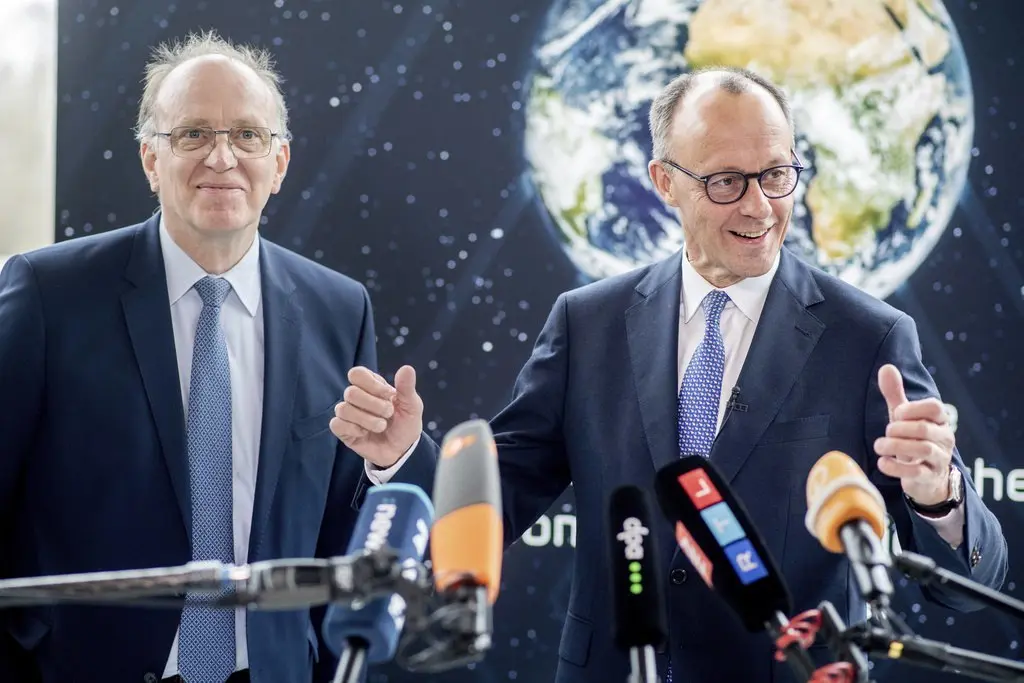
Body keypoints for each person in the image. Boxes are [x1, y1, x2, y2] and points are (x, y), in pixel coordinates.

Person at [333, 67, 1008, 683]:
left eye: (777, 174)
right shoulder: (586, 323)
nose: (759, 206)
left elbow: (971, 581)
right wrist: (403, 459)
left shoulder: (870, 337)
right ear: (664, 182)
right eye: (726, 181)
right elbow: (495, 502)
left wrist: (937, 497)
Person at [0, 31, 434, 683]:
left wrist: (392, 461)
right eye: (193, 134)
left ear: (279, 163)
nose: (222, 156)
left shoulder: (339, 309)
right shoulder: (49, 294)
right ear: (151, 159)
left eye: (248, 135)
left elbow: (352, 539)